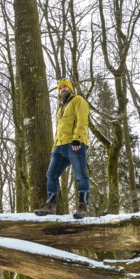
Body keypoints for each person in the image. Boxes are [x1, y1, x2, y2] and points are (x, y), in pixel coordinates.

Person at [34, 79, 90, 218]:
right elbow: (59, 130)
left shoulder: (78, 100)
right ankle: (50, 205)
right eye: (60, 88)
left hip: (75, 143)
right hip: (59, 146)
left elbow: (82, 120)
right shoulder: (60, 108)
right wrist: (54, 147)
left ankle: (83, 207)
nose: (63, 89)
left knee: (81, 175)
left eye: (65, 86)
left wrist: (77, 138)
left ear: (70, 88)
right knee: (51, 174)